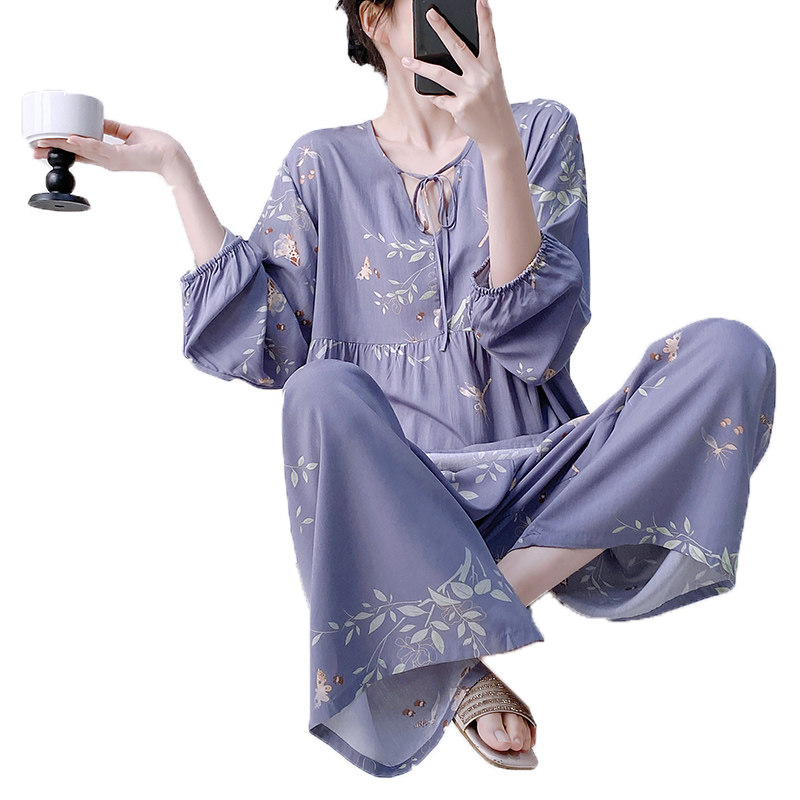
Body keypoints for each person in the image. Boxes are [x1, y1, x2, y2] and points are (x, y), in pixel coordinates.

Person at [33, 0, 777, 779]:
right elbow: (271, 345)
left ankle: (438, 641)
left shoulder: (538, 130)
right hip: (393, 500)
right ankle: (451, 629)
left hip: (555, 486)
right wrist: (173, 169)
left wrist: (497, 144)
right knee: (319, 389)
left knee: (731, 354)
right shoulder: (321, 163)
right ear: (374, 20)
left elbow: (538, 339)